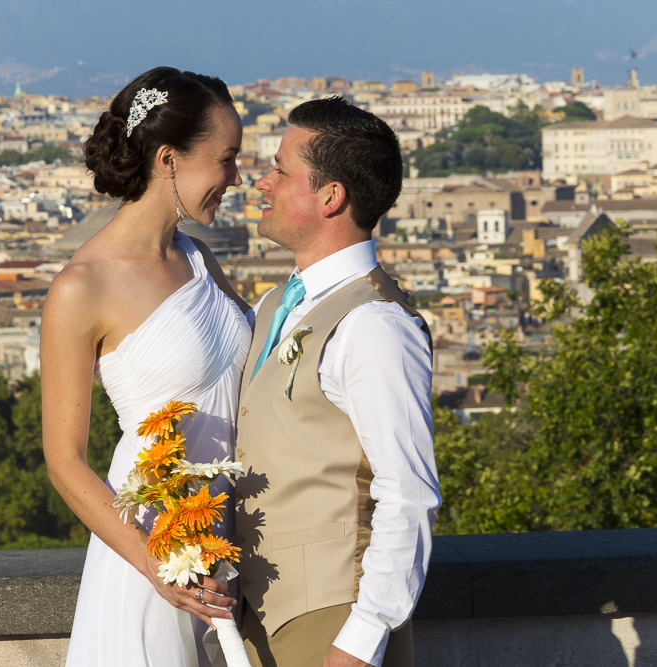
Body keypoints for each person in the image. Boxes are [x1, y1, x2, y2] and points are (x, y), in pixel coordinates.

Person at [41, 66, 251, 667]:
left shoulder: (199, 258)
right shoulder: (81, 288)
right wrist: (159, 565)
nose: (235, 179)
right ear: (168, 159)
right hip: (156, 546)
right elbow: (65, 461)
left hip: (232, 535)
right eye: (226, 160)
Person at [235, 97, 440, 667]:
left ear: (331, 196)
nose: (262, 182)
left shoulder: (375, 325)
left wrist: (361, 638)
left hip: (333, 625)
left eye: (279, 169)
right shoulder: (277, 303)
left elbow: (409, 493)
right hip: (264, 617)